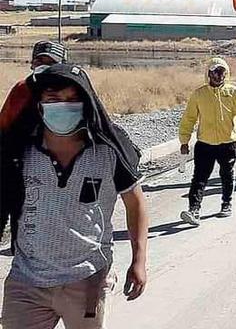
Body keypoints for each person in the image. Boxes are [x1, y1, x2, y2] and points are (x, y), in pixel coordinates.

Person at [0, 64, 149, 328]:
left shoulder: (108, 152)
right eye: (53, 100)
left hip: (88, 279)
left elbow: (135, 202)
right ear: (40, 105)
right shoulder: (19, 151)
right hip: (27, 282)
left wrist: (139, 260)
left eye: (71, 100)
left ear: (86, 103)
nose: (63, 107)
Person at [178, 58, 236, 225]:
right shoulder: (199, 94)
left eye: (222, 72)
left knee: (226, 174)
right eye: (215, 72)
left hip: (228, 143)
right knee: (199, 178)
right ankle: (194, 210)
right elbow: (189, 118)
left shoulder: (233, 93)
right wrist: (184, 140)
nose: (218, 76)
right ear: (208, 73)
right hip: (205, 144)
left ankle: (226, 203)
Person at [0, 40, 68, 132]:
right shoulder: (23, 88)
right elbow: (4, 124)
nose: (44, 67)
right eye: (39, 62)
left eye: (51, 63)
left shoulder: (73, 91)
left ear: (64, 67)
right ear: (32, 65)